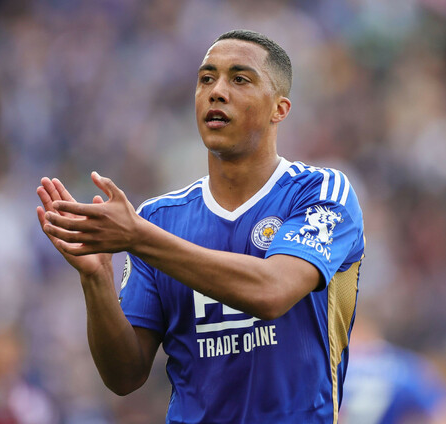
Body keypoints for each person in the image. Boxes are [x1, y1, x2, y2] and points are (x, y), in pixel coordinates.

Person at [37, 29, 364, 423]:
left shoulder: (321, 192)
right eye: (206, 79)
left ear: (280, 109)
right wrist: (97, 280)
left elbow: (272, 291)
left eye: (239, 79)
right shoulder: (159, 218)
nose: (216, 91)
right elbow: (124, 375)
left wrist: (138, 238)